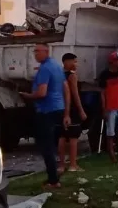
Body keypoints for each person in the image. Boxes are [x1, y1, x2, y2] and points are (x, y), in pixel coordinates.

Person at [19, 43, 71, 188]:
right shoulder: (56, 66)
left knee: (45, 146)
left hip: (46, 111)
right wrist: (66, 113)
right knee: (52, 145)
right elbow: (66, 90)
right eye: (34, 51)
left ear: (46, 51)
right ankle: (55, 174)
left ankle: (53, 180)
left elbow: (42, 92)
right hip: (58, 110)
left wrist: (27, 96)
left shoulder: (45, 68)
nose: (35, 54)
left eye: (37, 51)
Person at [58, 53, 87, 173]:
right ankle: (73, 165)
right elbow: (75, 95)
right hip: (72, 109)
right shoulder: (71, 76)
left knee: (61, 137)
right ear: (66, 62)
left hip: (60, 108)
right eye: (74, 62)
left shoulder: (58, 75)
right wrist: (81, 111)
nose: (76, 64)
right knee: (73, 137)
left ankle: (61, 165)